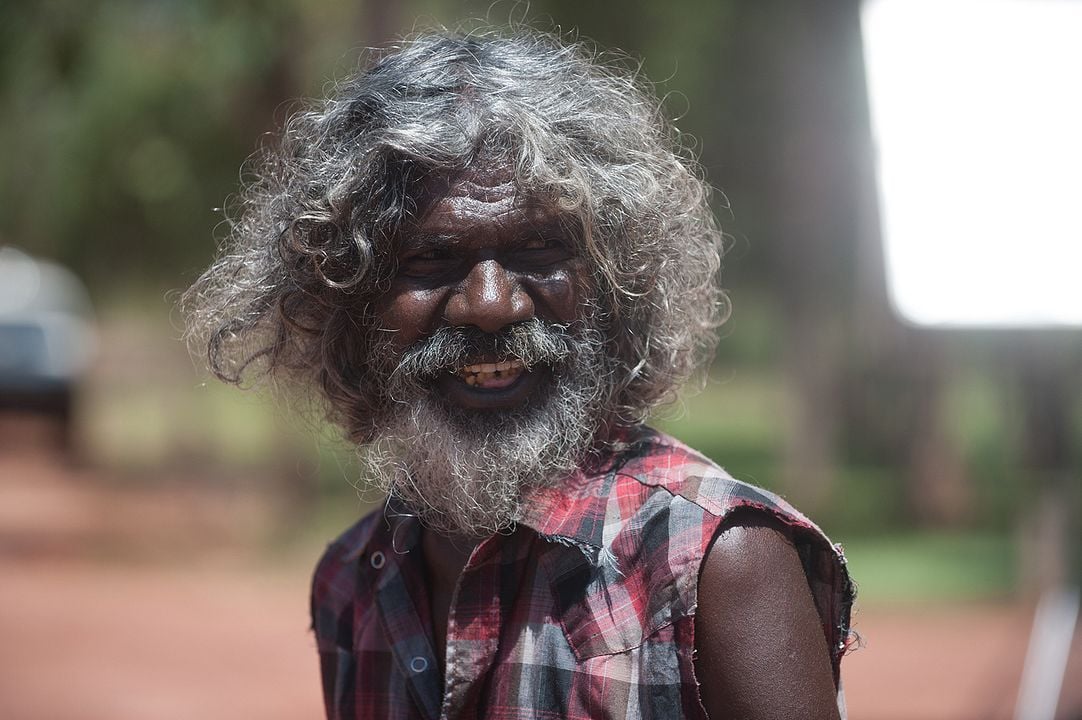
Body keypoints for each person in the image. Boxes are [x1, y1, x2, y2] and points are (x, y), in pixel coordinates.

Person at [184, 27, 854, 720]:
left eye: (539, 249)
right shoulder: (354, 582)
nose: (493, 305)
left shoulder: (716, 564)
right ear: (348, 302)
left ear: (615, 283)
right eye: (432, 259)